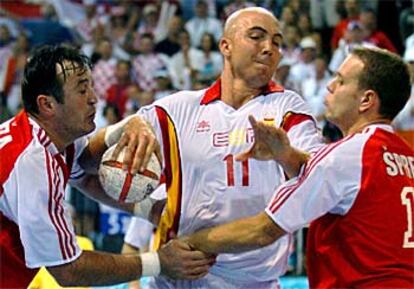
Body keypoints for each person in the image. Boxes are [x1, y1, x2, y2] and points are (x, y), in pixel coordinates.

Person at [183, 47, 414, 288]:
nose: (330, 86)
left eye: (341, 80)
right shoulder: (406, 156)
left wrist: (190, 242)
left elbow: (263, 230)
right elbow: (334, 185)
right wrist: (285, 155)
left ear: (366, 100)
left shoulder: (347, 154)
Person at [132, 7, 323, 289]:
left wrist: (284, 154)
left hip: (252, 282)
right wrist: (127, 128)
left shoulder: (287, 108)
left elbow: (318, 178)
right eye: (257, 37)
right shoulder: (177, 109)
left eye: (277, 42)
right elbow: (89, 162)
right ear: (225, 46)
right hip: (176, 280)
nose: (269, 48)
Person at [0, 45, 215, 288]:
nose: (94, 98)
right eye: (82, 90)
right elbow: (68, 270)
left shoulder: (41, 137)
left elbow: (86, 169)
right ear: (47, 105)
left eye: (91, 86)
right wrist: (160, 262)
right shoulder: (32, 165)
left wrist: (129, 126)